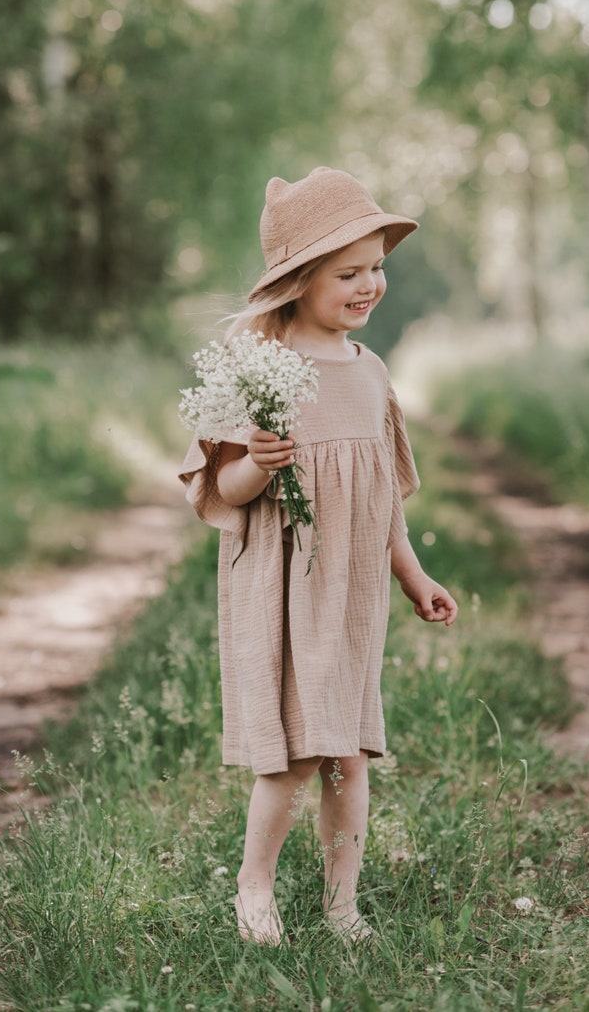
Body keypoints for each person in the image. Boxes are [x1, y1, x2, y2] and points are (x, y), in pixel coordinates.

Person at [179, 167, 458, 946]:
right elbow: (222, 491)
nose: (370, 284)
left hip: (354, 592)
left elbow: (381, 501)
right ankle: (254, 888)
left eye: (377, 267)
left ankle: (342, 907)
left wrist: (414, 576)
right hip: (285, 587)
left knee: (350, 754)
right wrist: (256, 464)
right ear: (299, 280)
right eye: (349, 272)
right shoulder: (258, 369)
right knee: (295, 758)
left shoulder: (371, 373)